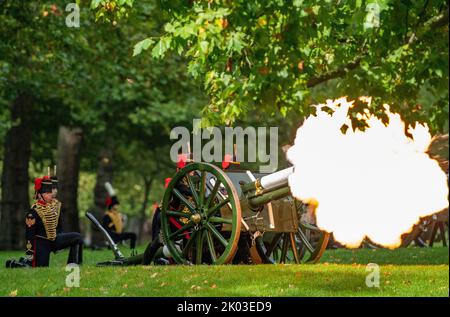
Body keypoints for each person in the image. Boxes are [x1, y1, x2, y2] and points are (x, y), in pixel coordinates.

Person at [25, 176, 83, 267]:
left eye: (50, 192)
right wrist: (30, 252)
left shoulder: (54, 207)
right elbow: (29, 234)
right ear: (40, 195)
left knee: (77, 237)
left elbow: (58, 227)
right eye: (47, 193)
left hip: (55, 240)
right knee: (41, 268)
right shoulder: (33, 212)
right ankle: (18, 264)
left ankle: (73, 264)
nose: (51, 195)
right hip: (42, 244)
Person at [102, 182, 137, 255]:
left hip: (119, 234)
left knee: (133, 235)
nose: (117, 206)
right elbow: (106, 227)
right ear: (112, 205)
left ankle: (132, 249)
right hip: (112, 235)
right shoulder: (107, 215)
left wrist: (122, 220)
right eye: (116, 205)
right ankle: (109, 246)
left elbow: (121, 225)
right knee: (111, 244)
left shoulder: (118, 214)